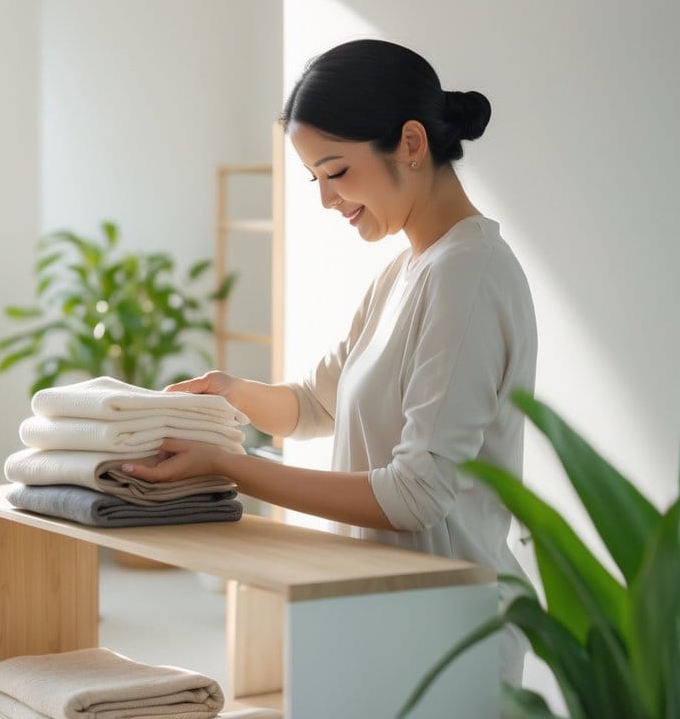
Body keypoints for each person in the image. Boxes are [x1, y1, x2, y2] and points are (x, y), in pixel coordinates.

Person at [121, 38, 537, 685]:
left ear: (410, 143)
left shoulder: (468, 275)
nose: (325, 200)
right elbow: (314, 405)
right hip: (380, 620)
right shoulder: (405, 272)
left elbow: (416, 493)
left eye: (335, 171)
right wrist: (231, 393)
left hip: (447, 640)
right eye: (314, 178)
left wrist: (231, 467)